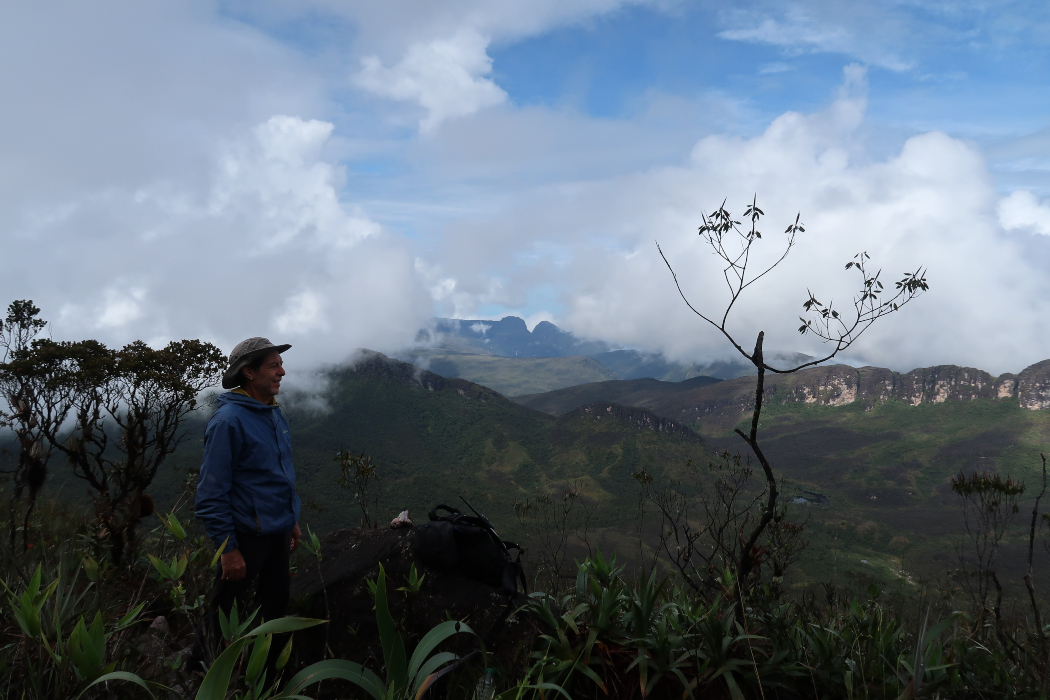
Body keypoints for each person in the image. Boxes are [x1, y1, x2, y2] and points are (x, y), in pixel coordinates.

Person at [193, 337, 301, 663]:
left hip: (277, 532)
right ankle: (199, 674)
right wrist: (228, 549)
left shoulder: (273, 413)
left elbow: (277, 474)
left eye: (280, 364)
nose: (282, 371)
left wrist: (290, 519)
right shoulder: (229, 422)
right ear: (249, 373)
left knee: (274, 609)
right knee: (224, 611)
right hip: (245, 537)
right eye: (273, 365)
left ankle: (266, 676)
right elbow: (211, 493)